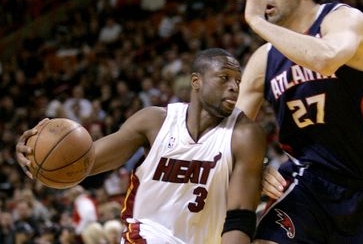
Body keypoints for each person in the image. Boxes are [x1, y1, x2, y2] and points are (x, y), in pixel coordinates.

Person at [233, 0, 363, 244]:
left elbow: (326, 59)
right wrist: (258, 164)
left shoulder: (344, 20)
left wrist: (257, 22)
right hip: (306, 184)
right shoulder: (263, 60)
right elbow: (233, 129)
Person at [16, 48, 267, 244]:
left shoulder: (245, 135)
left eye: (238, 79)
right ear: (196, 81)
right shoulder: (154, 121)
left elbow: (240, 215)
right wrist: (35, 157)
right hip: (146, 235)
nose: (235, 86)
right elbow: (85, 162)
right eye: (224, 78)